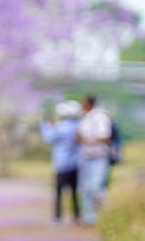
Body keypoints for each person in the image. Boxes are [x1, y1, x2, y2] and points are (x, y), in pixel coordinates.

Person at [40, 101, 82, 227]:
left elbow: (48, 138)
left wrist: (46, 125)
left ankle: (57, 218)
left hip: (62, 164)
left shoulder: (61, 126)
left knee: (59, 192)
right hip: (76, 164)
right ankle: (76, 217)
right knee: (74, 192)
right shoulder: (79, 125)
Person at [76, 95, 112, 225]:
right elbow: (78, 136)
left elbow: (104, 137)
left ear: (88, 104)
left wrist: (88, 140)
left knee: (96, 187)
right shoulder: (84, 118)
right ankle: (89, 217)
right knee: (85, 188)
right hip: (85, 157)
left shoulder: (101, 117)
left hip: (99, 157)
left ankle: (106, 213)